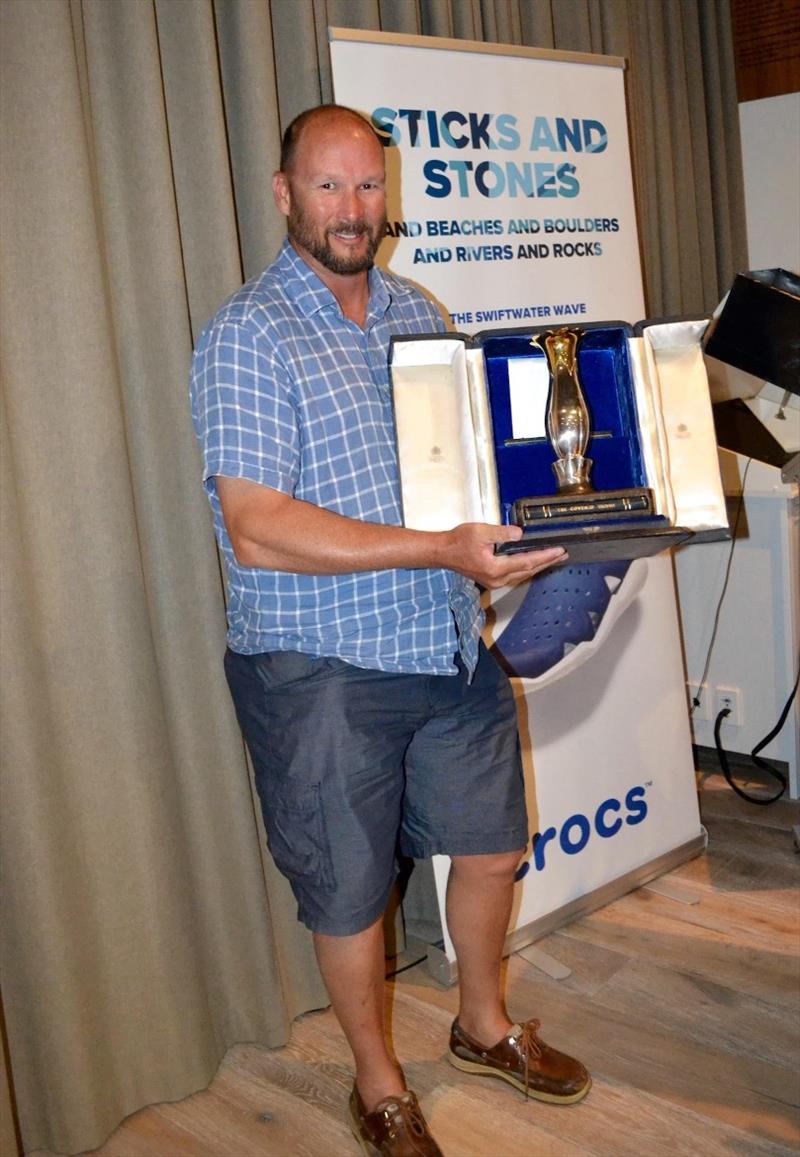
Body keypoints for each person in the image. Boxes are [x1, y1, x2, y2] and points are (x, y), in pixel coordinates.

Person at [190, 104, 590, 1157]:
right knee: (350, 889)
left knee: (495, 846)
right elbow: (259, 528)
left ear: (388, 193)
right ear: (284, 195)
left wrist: (537, 516)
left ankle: (481, 1022)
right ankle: (377, 1084)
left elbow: (464, 465)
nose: (351, 207)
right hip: (319, 665)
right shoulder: (247, 334)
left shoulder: (418, 310)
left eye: (366, 185)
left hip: (440, 636)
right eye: (327, 186)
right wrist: (440, 551)